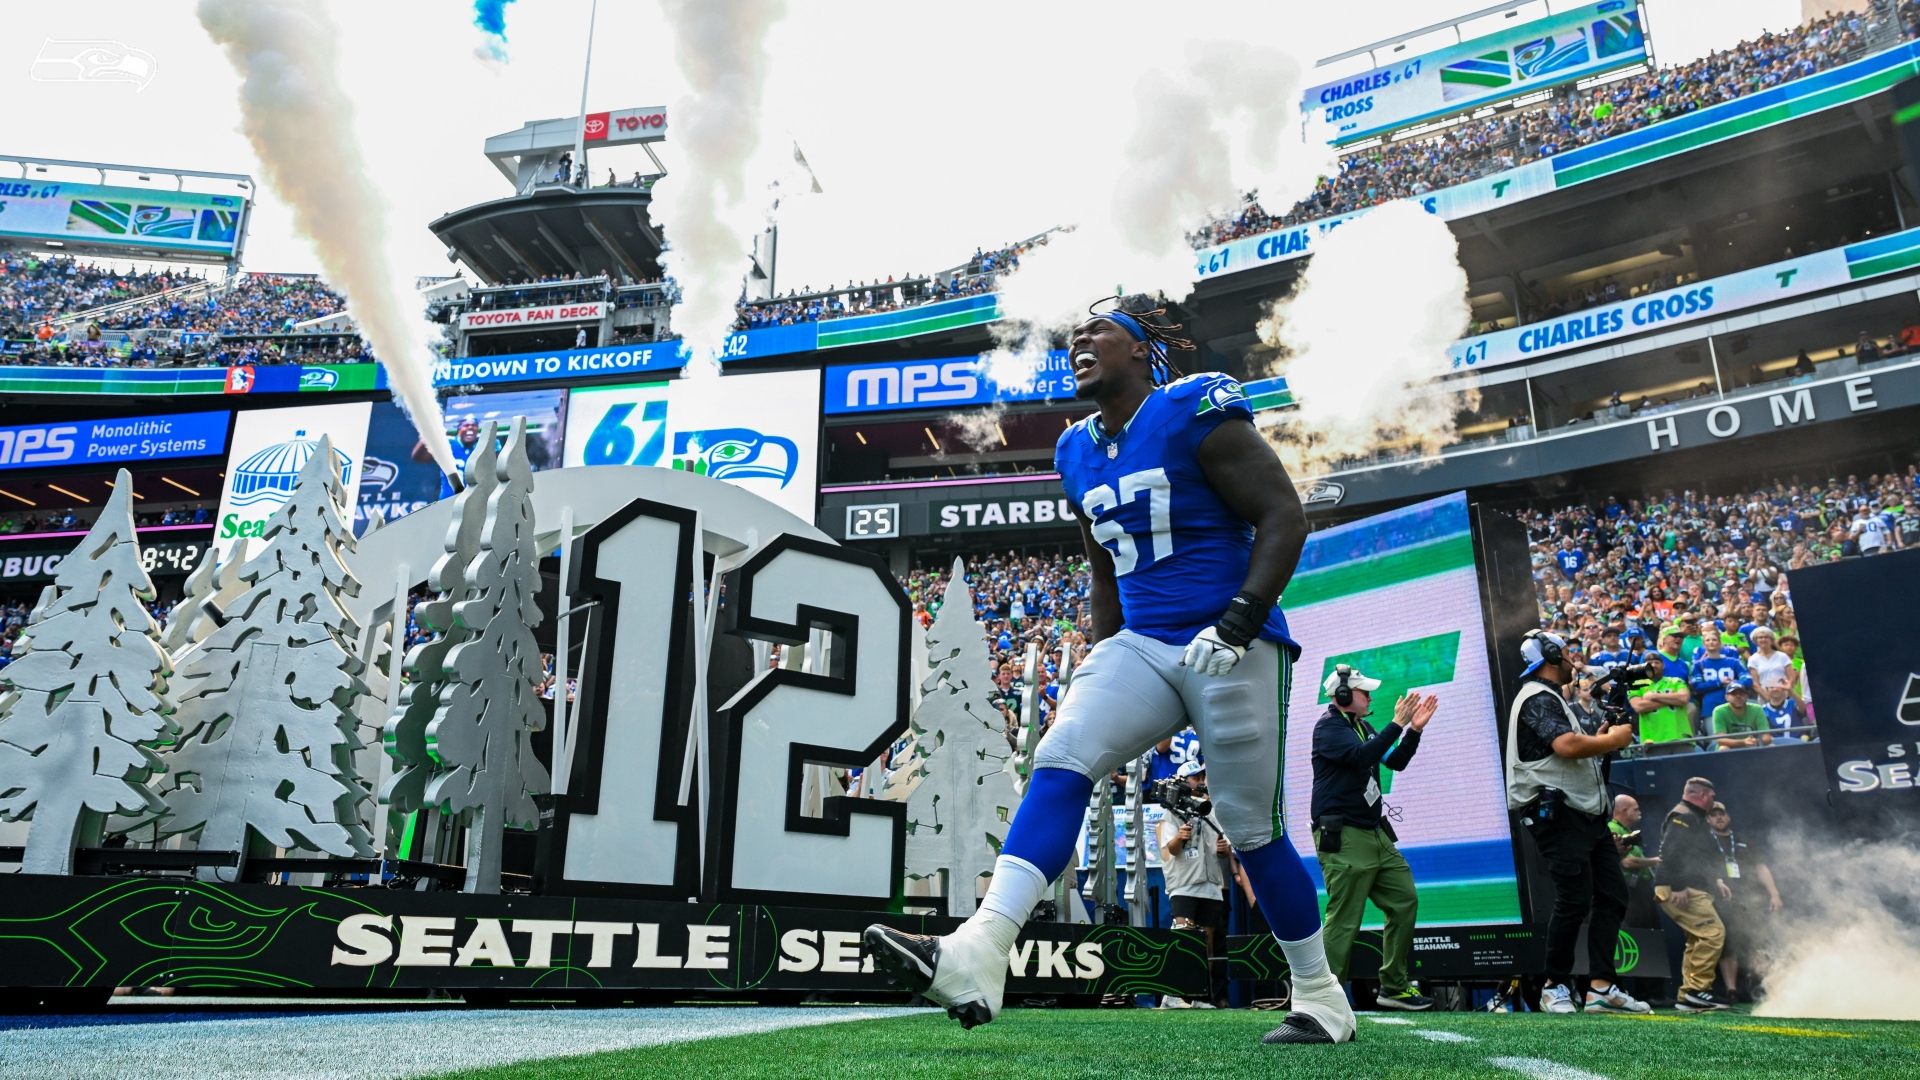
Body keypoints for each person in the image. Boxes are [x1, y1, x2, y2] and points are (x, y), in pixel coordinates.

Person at [864, 304, 1354, 1044]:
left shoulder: (1192, 407)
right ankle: (981, 949)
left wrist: (1240, 619)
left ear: (1143, 348)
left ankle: (1320, 996)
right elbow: (1102, 571)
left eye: (1098, 331)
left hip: (1230, 639)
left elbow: (1284, 515)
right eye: (1070, 338)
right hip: (1143, 642)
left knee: (1253, 831)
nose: (1078, 343)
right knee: (1059, 761)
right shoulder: (1074, 450)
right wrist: (1101, 652)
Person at [1505, 630, 1650, 1014]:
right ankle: (1554, 986)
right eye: (1567, 652)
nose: (1574, 659)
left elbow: (1570, 749)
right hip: (1559, 812)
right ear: (1551, 655)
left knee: (1613, 894)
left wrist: (1599, 737)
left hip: (1583, 812)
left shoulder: (1551, 697)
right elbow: (1566, 746)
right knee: (1573, 899)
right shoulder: (1537, 696)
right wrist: (1613, 741)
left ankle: (1601, 986)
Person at [1309, 664, 1438, 1011]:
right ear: (1343, 696)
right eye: (1364, 692)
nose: (1370, 697)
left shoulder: (1362, 725)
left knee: (1404, 899)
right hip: (1345, 834)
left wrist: (1413, 731)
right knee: (1345, 918)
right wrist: (1397, 724)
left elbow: (1394, 761)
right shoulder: (1328, 728)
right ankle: (1324, 999)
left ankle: (1393, 987)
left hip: (1374, 833)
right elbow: (1360, 757)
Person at [1654, 777, 1733, 1011]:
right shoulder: (1685, 816)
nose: (1713, 801)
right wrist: (1677, 886)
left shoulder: (1692, 816)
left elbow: (1696, 856)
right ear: (1701, 795)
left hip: (1688, 886)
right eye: (1711, 796)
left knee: (1697, 938)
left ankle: (1689, 995)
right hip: (1679, 887)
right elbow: (1671, 852)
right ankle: (1698, 990)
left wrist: (1715, 880)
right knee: (1712, 933)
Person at [1155, 760, 1228, 1009]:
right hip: (1184, 884)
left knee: (1206, 942)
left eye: (1201, 777)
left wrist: (1223, 850)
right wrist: (1179, 837)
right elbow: (1170, 850)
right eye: (1195, 778)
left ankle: (1197, 995)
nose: (1201, 781)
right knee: (1185, 937)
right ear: (1185, 782)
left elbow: (1220, 851)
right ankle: (1174, 994)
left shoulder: (1211, 811)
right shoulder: (1170, 813)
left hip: (1210, 884)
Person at [1705, 801, 1781, 1002]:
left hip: (1750, 897)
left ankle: (1769, 987)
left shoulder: (1742, 840)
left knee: (1757, 942)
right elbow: (1701, 868)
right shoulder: (1705, 842)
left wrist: (1774, 894)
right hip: (1722, 899)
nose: (1718, 818)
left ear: (1728, 816)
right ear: (1708, 819)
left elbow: (1761, 867)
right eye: (1713, 815)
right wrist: (1717, 882)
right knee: (1728, 945)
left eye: (1721, 814)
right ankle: (1732, 991)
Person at [1610, 794, 1660, 928]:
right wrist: (1655, 861)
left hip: (1641, 889)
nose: (1640, 813)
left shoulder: (1627, 831)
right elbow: (1627, 862)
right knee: (1640, 929)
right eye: (1636, 809)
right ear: (1625, 810)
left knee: (1651, 928)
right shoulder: (1613, 830)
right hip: (1631, 891)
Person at [1630, 657, 1695, 756]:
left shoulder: (1676, 681)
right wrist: (1671, 699)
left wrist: (1654, 696)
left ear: (1663, 665)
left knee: (1686, 771)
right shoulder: (1636, 685)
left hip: (1680, 737)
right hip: (1653, 740)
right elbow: (1638, 706)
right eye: (1650, 663)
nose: (1654, 665)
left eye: (1657, 662)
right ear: (1643, 667)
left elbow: (1684, 699)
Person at [1710, 682, 1772, 750]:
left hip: (1754, 747)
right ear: (1727, 697)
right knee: (1723, 748)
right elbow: (1721, 740)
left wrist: (1755, 741)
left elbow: (1767, 737)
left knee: (1771, 746)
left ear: (1746, 696)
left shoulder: (1757, 709)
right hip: (1731, 748)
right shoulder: (1719, 711)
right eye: (1734, 694)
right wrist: (1743, 742)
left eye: (1741, 693)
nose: (1738, 696)